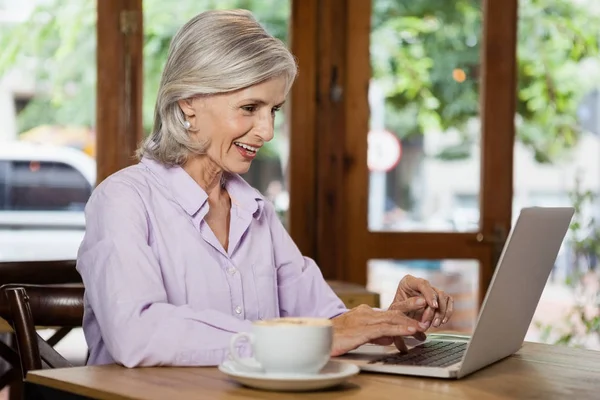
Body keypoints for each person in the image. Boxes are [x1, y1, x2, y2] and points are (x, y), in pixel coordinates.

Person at [76, 9, 454, 368]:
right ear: (188, 103)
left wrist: (390, 322)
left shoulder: (254, 210)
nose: (266, 131)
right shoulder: (122, 200)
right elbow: (136, 333)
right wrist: (310, 336)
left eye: (273, 110)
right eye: (250, 107)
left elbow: (328, 323)